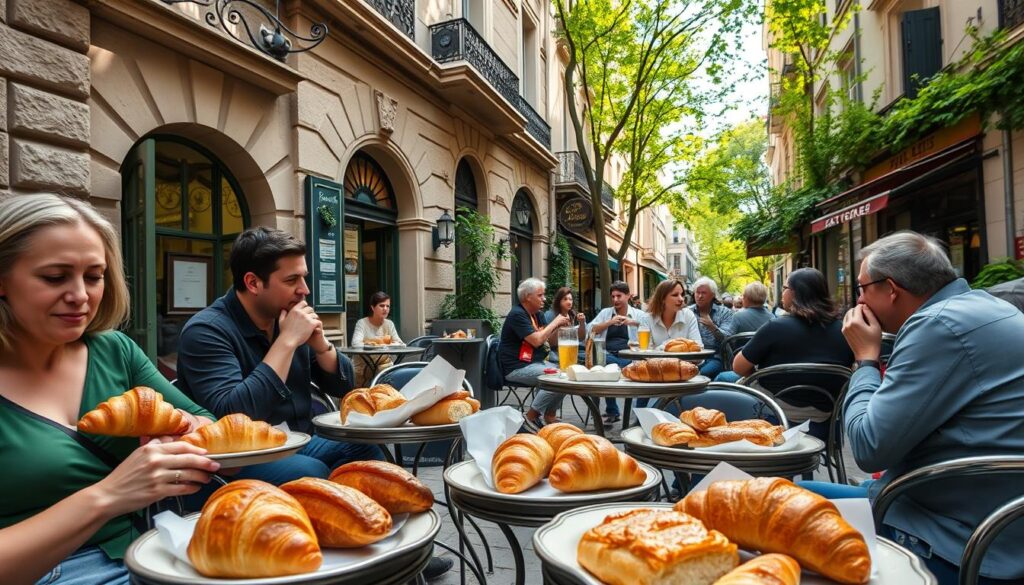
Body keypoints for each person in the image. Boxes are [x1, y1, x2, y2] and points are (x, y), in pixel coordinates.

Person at [0, 194, 220, 585]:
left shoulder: (114, 350)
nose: (81, 296)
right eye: (55, 277)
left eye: (94, 276)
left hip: (156, 549)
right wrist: (111, 495)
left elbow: (208, 425)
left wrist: (185, 431)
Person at [813, 231, 1024, 584]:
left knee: (780, 506)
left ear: (890, 289)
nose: (858, 300)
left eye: (862, 288)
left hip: (957, 540)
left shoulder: (937, 325)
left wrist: (865, 360)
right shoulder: (990, 307)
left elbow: (868, 447)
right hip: (994, 519)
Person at [177, 227, 384, 485]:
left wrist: (320, 345)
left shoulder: (285, 316)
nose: (305, 290)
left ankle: (371, 522)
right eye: (291, 280)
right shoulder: (206, 331)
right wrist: (286, 342)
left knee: (370, 453)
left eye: (304, 278)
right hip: (237, 457)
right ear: (253, 283)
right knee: (311, 472)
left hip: (301, 440)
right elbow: (232, 413)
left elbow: (343, 386)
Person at [718, 268, 853, 441]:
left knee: (723, 384)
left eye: (785, 287)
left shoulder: (775, 326)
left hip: (774, 416)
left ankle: (734, 453)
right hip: (825, 420)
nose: (783, 292)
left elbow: (738, 366)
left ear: (795, 293)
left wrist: (757, 375)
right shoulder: (844, 330)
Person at [499, 278, 569, 426]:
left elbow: (547, 341)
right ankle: (530, 417)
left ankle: (550, 416)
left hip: (535, 362)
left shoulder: (538, 314)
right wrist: (555, 322)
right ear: (527, 297)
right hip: (517, 367)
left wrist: (559, 328)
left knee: (566, 373)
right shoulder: (517, 314)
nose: (544, 298)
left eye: (543, 294)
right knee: (557, 378)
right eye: (540, 295)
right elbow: (536, 340)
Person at [588, 281, 645, 424]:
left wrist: (632, 322)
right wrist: (610, 322)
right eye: (613, 296)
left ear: (628, 296)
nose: (615, 300)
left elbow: (651, 327)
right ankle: (611, 411)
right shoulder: (606, 313)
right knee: (603, 363)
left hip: (630, 357)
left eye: (619, 296)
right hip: (608, 355)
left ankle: (615, 411)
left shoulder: (639, 314)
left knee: (606, 365)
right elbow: (591, 330)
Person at [351, 291, 404, 385]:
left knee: (388, 371)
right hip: (363, 366)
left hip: (383, 367)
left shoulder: (389, 324)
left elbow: (401, 344)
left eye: (388, 306)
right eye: (382, 305)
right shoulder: (362, 323)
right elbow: (355, 344)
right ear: (372, 307)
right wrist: (376, 344)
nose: (385, 309)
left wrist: (384, 344)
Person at [689, 277, 734, 379]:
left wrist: (712, 327)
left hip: (715, 357)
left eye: (704, 293)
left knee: (702, 373)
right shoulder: (688, 312)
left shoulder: (725, 313)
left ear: (713, 295)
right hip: (691, 356)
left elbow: (728, 340)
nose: (700, 296)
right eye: (697, 292)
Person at [643, 279, 702, 349]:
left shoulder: (688, 315)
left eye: (682, 294)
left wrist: (664, 347)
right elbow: (646, 352)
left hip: (685, 360)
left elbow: (698, 349)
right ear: (662, 299)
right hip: (656, 360)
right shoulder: (647, 319)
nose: (681, 299)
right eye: (675, 295)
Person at [544, 286, 586, 362]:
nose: (569, 302)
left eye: (570, 299)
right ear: (559, 301)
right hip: (554, 351)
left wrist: (582, 323)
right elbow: (548, 343)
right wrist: (559, 326)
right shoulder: (550, 315)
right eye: (565, 299)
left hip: (570, 348)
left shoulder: (572, 315)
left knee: (586, 356)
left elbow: (581, 337)